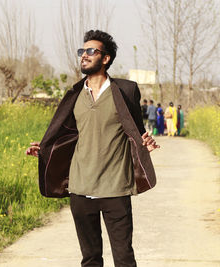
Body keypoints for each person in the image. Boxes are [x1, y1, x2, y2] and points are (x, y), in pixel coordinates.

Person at [25, 29, 159, 267]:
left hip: (115, 187)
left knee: (124, 258)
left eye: (90, 51)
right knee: (90, 259)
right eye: (81, 51)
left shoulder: (125, 91)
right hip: (80, 187)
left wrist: (146, 141)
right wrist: (45, 148)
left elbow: (136, 131)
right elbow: (64, 134)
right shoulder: (75, 95)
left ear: (105, 58)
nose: (83, 56)